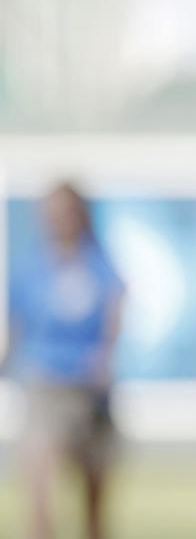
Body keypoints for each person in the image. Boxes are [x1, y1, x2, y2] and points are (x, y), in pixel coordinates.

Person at [8, 182, 125, 539]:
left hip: (89, 385)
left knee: (93, 490)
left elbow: (115, 307)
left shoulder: (98, 263)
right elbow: (15, 326)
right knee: (40, 479)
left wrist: (105, 356)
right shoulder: (31, 266)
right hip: (45, 380)